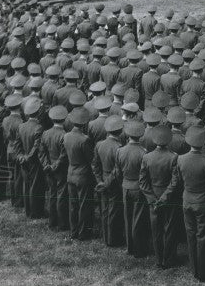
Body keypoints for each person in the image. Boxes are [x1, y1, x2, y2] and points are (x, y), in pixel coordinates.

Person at [163, 126, 205, 281]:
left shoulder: (180, 159)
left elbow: (178, 181)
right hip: (203, 203)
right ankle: (203, 272)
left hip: (187, 200)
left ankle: (195, 268)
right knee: (203, 236)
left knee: (191, 235)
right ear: (203, 144)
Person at [140, 124, 179, 268]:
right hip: (169, 196)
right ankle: (168, 259)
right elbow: (175, 182)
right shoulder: (174, 157)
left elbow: (142, 182)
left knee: (156, 229)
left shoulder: (147, 157)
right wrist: (163, 198)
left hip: (154, 196)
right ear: (169, 141)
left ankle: (159, 259)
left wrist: (152, 199)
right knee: (169, 228)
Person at [114, 119, 151, 258]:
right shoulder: (144, 152)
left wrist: (122, 183)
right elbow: (145, 174)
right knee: (138, 219)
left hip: (125, 186)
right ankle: (138, 249)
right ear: (140, 136)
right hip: (138, 188)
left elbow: (117, 172)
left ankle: (130, 247)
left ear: (128, 135)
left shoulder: (120, 151)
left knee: (127, 217)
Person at [64, 107, 96, 241]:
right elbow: (90, 159)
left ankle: (73, 231)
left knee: (73, 205)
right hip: (83, 176)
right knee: (84, 205)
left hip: (71, 174)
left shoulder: (66, 136)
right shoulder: (85, 139)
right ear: (84, 124)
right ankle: (83, 233)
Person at [93, 115, 126, 247]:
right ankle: (113, 239)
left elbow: (95, 165)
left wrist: (100, 181)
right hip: (114, 182)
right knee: (114, 211)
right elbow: (117, 170)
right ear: (120, 132)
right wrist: (106, 183)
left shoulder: (99, 144)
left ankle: (105, 236)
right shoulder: (119, 147)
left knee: (105, 209)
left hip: (102, 181)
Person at [39, 105, 70, 231]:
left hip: (49, 169)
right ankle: (62, 223)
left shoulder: (45, 133)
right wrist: (54, 166)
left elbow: (41, 152)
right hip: (61, 169)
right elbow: (63, 155)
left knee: (52, 194)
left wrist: (46, 165)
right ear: (64, 119)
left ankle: (52, 221)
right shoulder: (64, 135)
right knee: (62, 195)